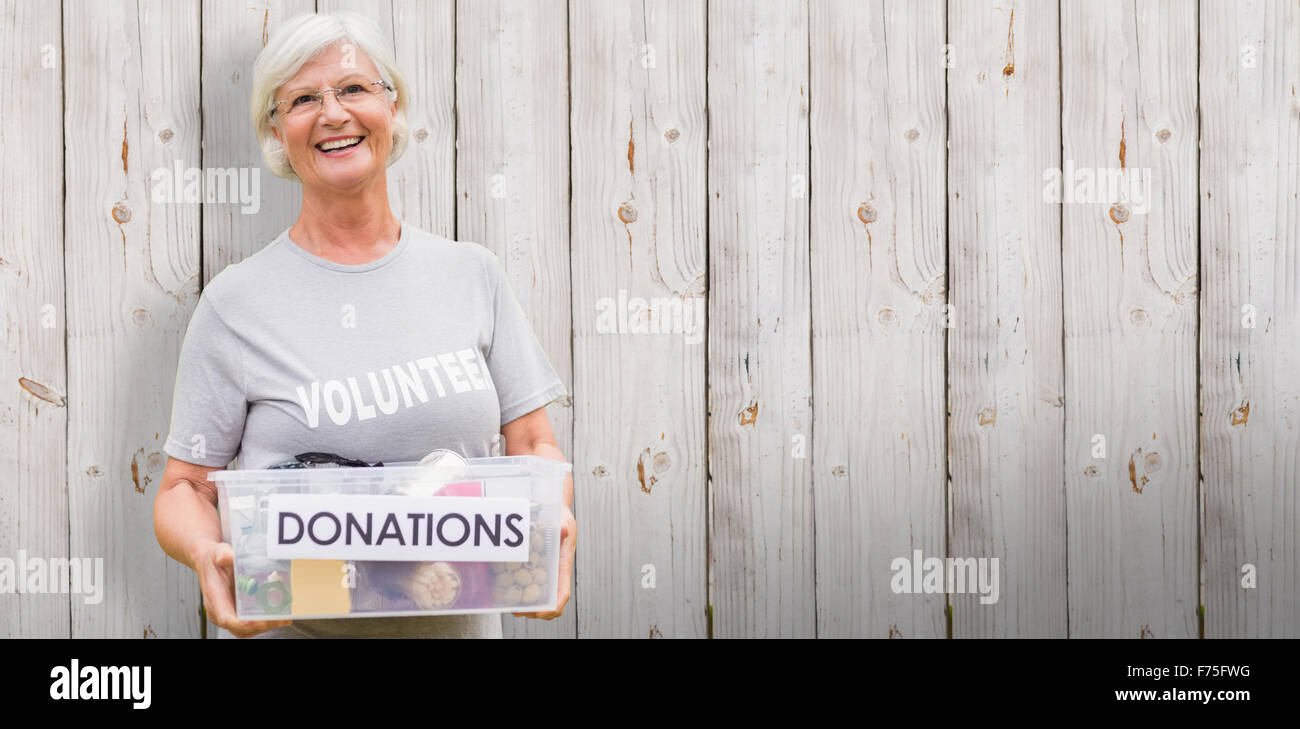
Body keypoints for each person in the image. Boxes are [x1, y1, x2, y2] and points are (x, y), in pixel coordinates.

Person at [152, 11, 576, 639]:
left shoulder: (472, 275)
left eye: (353, 88)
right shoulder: (235, 303)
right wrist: (208, 552)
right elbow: (183, 488)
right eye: (302, 99)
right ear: (277, 131)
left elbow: (536, 446)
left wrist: (554, 523)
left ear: (392, 106)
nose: (332, 113)